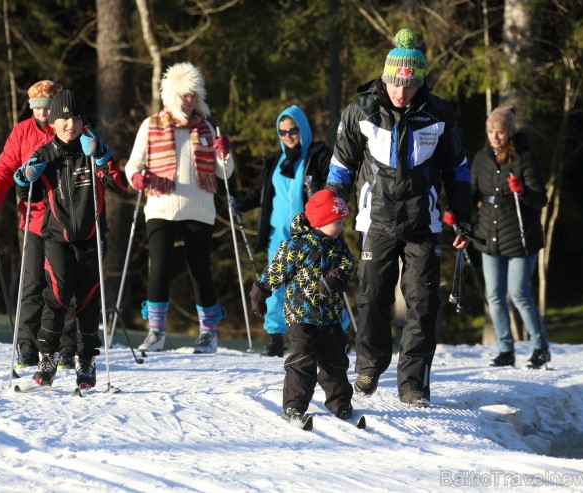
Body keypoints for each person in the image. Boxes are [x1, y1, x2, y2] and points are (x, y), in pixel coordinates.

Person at [326, 28, 472, 407]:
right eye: (394, 83)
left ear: (419, 83)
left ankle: (413, 384)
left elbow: (457, 169)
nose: (400, 91)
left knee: (423, 304)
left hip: (424, 222)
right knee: (372, 296)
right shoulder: (361, 110)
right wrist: (329, 214)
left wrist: (463, 218)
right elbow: (341, 168)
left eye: (408, 86)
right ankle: (370, 365)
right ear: (385, 76)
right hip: (376, 221)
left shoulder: (438, 113)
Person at [13, 89, 127, 388]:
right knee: (58, 296)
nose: (70, 124)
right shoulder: (45, 154)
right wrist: (24, 177)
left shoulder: (93, 149)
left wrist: (103, 156)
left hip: (90, 237)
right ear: (52, 122)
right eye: (63, 117)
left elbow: (119, 185)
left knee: (87, 300)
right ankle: (47, 358)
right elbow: (27, 195)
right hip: (56, 238)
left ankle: (85, 360)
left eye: (76, 118)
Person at [124, 62, 234, 354]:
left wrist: (225, 153)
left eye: (193, 94)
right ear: (172, 94)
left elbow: (225, 173)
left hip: (200, 208)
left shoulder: (208, 128)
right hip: (161, 205)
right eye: (184, 94)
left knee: (200, 269)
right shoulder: (152, 125)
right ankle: (156, 332)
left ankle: (208, 334)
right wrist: (136, 177)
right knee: (159, 267)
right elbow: (133, 164)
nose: (189, 100)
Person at [0, 80, 78, 370]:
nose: (43, 115)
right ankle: (26, 347)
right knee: (32, 284)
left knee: (63, 286)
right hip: (33, 221)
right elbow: (4, 169)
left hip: (65, 221)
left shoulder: (68, 129)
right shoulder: (22, 132)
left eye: (48, 109)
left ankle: (67, 348)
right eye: (38, 110)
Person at [232, 105, 334, 357]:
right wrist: (240, 204)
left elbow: (330, 186)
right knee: (274, 282)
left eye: (293, 130)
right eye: (283, 132)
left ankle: (331, 332)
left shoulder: (317, 155)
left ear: (303, 129)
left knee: (318, 283)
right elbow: (262, 194)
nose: (288, 136)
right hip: (278, 232)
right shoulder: (274, 161)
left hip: (310, 234)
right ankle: (275, 336)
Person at [249, 189, 355, 423]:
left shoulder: (338, 246)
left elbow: (349, 266)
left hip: (330, 316)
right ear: (321, 220)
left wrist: (338, 277)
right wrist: (260, 292)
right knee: (302, 361)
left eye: (342, 222)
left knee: (335, 361)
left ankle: (340, 402)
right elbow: (276, 269)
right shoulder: (296, 245)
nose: (340, 227)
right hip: (300, 315)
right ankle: (294, 406)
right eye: (336, 222)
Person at [469, 105, 551, 369]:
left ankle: (540, 347)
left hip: (520, 236)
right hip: (488, 236)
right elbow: (471, 194)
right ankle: (506, 350)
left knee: (518, 294)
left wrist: (523, 191)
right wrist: (456, 214)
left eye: (500, 132)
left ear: (509, 133)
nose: (495, 136)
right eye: (491, 131)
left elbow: (540, 199)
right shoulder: (481, 158)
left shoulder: (524, 158)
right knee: (494, 295)